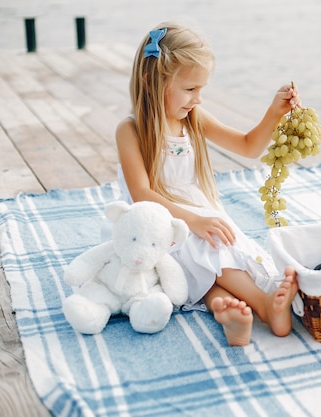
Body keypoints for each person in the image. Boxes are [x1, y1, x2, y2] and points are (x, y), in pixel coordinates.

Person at [114, 22, 300, 346]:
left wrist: (274, 112)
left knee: (213, 256)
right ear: (152, 81)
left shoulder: (193, 118)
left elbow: (247, 146)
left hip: (196, 210)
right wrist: (195, 221)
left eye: (202, 89)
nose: (198, 99)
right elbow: (141, 194)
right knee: (203, 248)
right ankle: (264, 306)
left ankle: (224, 310)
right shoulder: (130, 131)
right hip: (155, 221)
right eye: (190, 89)